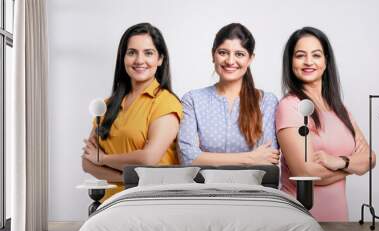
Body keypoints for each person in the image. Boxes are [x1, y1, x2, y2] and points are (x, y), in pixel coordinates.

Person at [276, 27, 376, 221]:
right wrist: (355, 166)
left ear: (326, 60)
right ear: (290, 62)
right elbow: (305, 173)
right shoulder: (290, 107)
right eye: (300, 55)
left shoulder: (340, 109)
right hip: (301, 221)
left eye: (316, 55)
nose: (308, 62)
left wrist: (340, 161)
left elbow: (371, 158)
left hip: (339, 221)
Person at [82, 23, 182, 200]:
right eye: (132, 52)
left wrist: (104, 160)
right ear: (123, 58)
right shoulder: (107, 105)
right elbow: (88, 162)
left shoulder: (166, 103)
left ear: (160, 59)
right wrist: (127, 180)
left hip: (151, 202)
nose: (139, 60)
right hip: (111, 204)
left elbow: (147, 160)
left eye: (148, 53)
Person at [178, 23, 279, 166]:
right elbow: (188, 158)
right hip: (203, 188)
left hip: (252, 188)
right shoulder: (193, 100)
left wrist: (204, 157)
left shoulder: (266, 101)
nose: (230, 61)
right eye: (223, 52)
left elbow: (269, 159)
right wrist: (251, 158)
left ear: (250, 58)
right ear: (213, 55)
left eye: (239, 54)